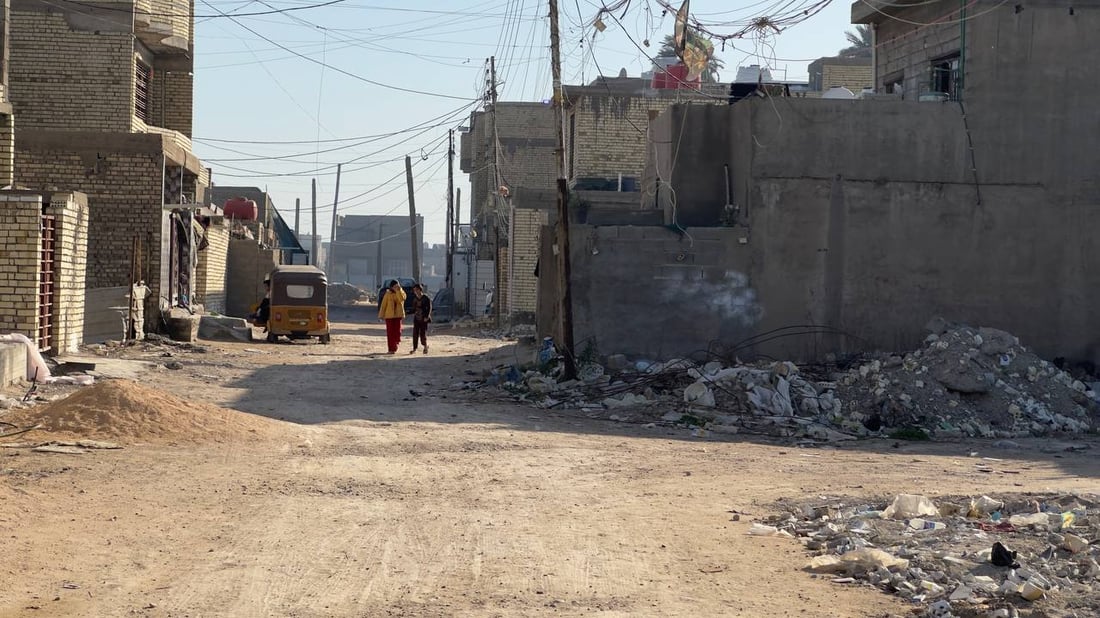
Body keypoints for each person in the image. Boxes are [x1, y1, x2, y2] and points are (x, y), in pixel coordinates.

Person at [377, 279, 407, 354]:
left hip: (398, 315)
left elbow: (401, 299)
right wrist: (381, 315)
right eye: (394, 286)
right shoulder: (387, 294)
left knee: (397, 331)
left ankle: (396, 342)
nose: (395, 287)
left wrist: (398, 291)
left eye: (397, 286)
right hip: (389, 316)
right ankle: (391, 349)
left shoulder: (401, 292)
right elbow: (383, 305)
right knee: (390, 333)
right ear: (391, 287)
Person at [409, 284, 432, 354]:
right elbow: (414, 308)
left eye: (417, 290)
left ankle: (425, 346)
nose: (415, 292)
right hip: (416, 318)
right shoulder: (415, 299)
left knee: (423, 334)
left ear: (420, 290)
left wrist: (427, 316)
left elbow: (429, 308)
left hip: (423, 318)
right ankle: (414, 348)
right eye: (414, 290)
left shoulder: (425, 298)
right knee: (415, 333)